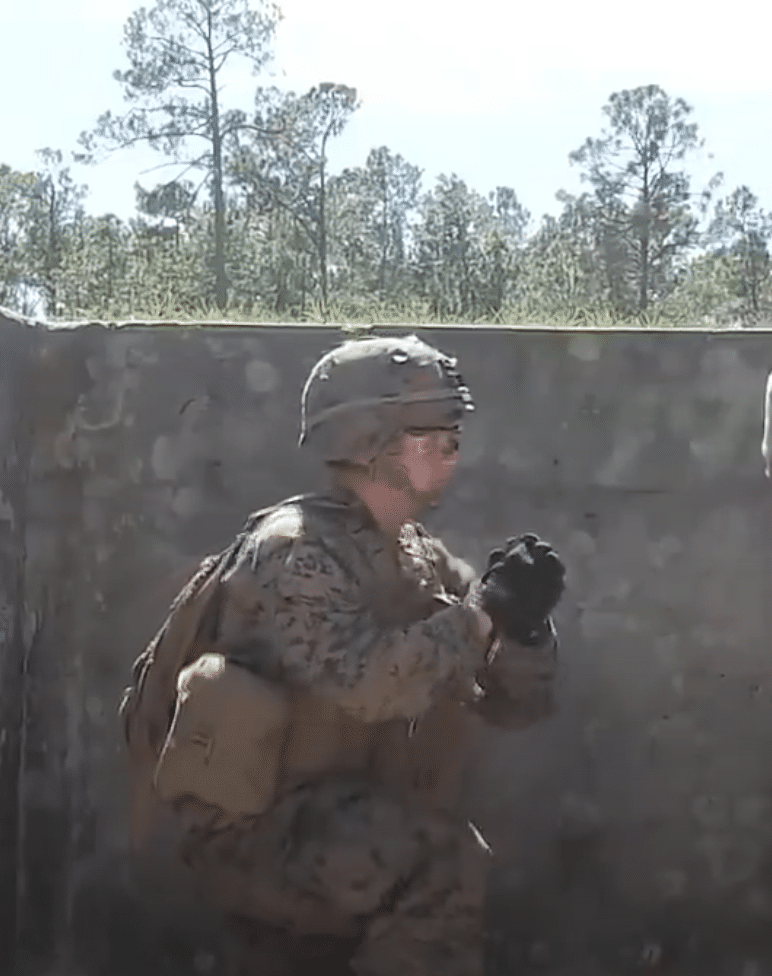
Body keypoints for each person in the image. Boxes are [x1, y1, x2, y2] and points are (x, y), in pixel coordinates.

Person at [118, 334, 566, 976]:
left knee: (447, 857)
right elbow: (365, 682)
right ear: (365, 442)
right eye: (430, 435)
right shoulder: (294, 549)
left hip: (352, 817)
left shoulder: (417, 557)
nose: (451, 450)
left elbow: (517, 703)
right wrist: (479, 617)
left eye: (454, 436)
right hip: (264, 836)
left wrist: (521, 628)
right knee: (444, 864)